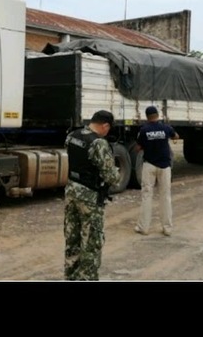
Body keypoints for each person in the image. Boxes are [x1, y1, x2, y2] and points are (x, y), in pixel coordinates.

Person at [64, 110, 121, 281]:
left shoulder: (72, 135)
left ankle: (71, 277)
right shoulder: (98, 143)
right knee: (90, 244)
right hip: (89, 198)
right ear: (105, 125)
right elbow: (112, 177)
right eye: (108, 129)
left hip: (71, 192)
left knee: (72, 241)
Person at [134, 106, 179, 236]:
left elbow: (138, 148)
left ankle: (144, 227)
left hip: (149, 166)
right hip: (165, 167)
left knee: (147, 196)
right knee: (165, 196)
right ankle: (167, 228)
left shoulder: (144, 130)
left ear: (147, 116)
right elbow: (176, 136)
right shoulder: (166, 128)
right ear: (157, 115)